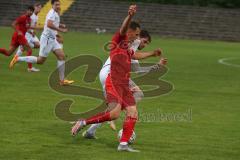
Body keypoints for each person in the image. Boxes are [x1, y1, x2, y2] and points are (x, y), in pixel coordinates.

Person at [71, 5, 161, 152]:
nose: (137, 37)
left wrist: (152, 56)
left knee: (133, 112)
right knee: (114, 114)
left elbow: (135, 57)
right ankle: (84, 122)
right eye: (136, 34)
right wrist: (130, 16)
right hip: (112, 80)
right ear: (130, 32)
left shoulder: (129, 48)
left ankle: (123, 144)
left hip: (124, 83)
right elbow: (123, 27)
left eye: (139, 35)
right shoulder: (119, 39)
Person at [83, 30, 167, 139]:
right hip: (112, 74)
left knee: (136, 95)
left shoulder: (131, 49)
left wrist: (157, 66)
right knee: (133, 97)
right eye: (145, 42)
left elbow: (137, 69)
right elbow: (135, 56)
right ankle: (93, 122)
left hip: (112, 75)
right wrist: (152, 54)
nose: (145, 45)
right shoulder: (133, 42)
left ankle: (91, 131)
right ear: (138, 37)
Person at [9, 0, 74, 85]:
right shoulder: (52, 13)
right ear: (52, 5)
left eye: (59, 4)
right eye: (56, 4)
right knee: (40, 61)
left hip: (52, 39)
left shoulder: (55, 12)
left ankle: (62, 81)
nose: (58, 6)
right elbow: (49, 24)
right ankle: (18, 58)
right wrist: (61, 29)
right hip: (47, 39)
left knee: (61, 56)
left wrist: (60, 25)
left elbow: (53, 23)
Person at [13, 3, 42, 72]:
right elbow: (26, 26)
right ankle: (29, 68)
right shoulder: (31, 16)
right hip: (27, 34)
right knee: (28, 49)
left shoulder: (36, 16)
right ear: (35, 7)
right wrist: (30, 31)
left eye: (40, 8)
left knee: (38, 45)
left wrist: (34, 31)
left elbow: (33, 25)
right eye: (39, 7)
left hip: (31, 34)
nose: (40, 9)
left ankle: (19, 52)